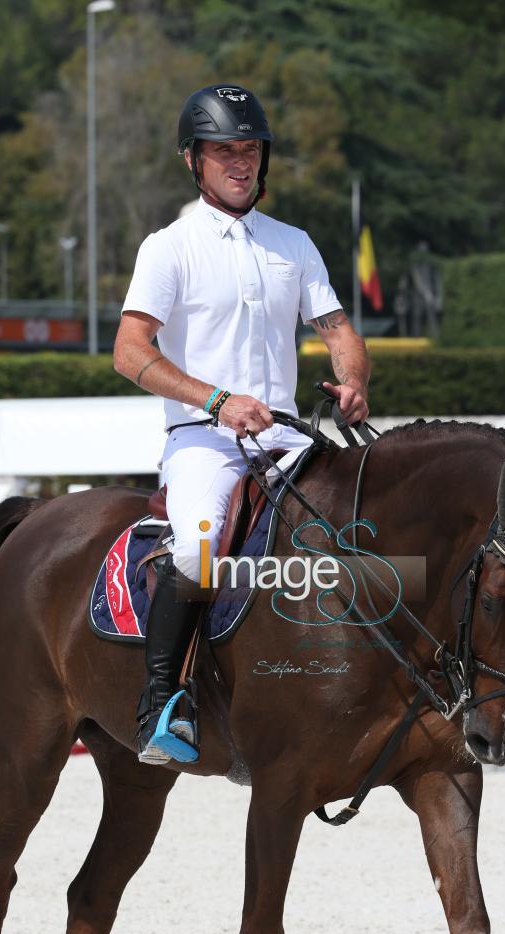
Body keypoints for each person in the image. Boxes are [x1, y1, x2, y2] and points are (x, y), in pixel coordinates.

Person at [114, 84, 370, 765]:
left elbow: (338, 329)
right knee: (199, 548)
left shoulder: (294, 244)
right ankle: (163, 702)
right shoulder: (169, 247)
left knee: (364, 524)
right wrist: (217, 401)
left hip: (287, 435)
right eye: (224, 151)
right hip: (206, 440)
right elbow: (130, 351)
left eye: (250, 150)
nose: (240, 163)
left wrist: (353, 380)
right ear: (194, 160)